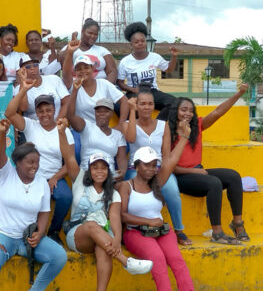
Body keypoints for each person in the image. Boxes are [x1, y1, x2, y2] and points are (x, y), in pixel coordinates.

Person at [0, 119, 67, 291]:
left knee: (59, 256)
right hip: (3, 235)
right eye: (30, 162)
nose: (35, 166)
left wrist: (40, 233)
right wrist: (2, 133)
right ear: (18, 162)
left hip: (28, 239)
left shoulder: (42, 183)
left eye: (37, 162)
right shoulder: (6, 174)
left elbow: (44, 213)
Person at [168, 85, 251, 245]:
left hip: (198, 173)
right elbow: (168, 167)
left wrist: (238, 94)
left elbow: (218, 112)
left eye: (191, 110)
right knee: (214, 183)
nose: (187, 113)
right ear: (175, 111)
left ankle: (237, 223)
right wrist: (195, 172)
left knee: (233, 176)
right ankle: (217, 232)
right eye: (183, 109)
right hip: (180, 177)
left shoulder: (196, 126)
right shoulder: (167, 131)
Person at [118, 120, 194, 291]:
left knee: (177, 260)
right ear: (136, 166)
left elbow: (171, 161)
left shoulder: (157, 182)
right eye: (146, 164)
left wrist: (184, 137)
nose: (151, 169)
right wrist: (148, 222)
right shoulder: (127, 186)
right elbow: (122, 215)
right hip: (135, 233)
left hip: (161, 231)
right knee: (157, 258)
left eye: (153, 165)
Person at [64, 145, 153, 290]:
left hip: (103, 237)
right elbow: (68, 156)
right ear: (89, 171)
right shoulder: (79, 181)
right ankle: (126, 262)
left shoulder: (114, 194)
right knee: (92, 225)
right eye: (95, 168)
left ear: (108, 171)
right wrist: (61, 132)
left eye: (103, 168)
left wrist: (117, 238)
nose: (99, 171)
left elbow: (114, 217)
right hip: (79, 235)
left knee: (103, 248)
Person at [5, 78, 74, 244]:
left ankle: (53, 231)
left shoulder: (63, 130)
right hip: (33, 176)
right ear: (36, 112)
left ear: (54, 110)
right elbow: (9, 113)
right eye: (41, 111)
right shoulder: (31, 125)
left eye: (48, 110)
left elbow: (70, 162)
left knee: (65, 197)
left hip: (55, 175)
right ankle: (28, 231)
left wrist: (55, 178)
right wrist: (23, 90)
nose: (45, 114)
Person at [124, 87, 190, 245]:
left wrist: (162, 172)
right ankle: (137, 227)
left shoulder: (163, 125)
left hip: (159, 168)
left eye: (150, 104)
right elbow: (131, 139)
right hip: (136, 169)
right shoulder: (128, 124)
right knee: (138, 188)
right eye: (142, 104)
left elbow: (166, 155)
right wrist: (131, 111)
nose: (146, 107)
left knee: (172, 190)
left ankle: (179, 230)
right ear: (137, 105)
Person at [67, 78, 127, 180]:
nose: (102, 114)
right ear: (95, 113)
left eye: (106, 111)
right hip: (87, 175)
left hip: (108, 177)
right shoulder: (87, 127)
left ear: (111, 114)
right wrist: (75, 91)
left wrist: (122, 171)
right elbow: (71, 115)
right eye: (99, 111)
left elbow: (121, 158)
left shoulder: (118, 135)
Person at [117, 22, 178, 119]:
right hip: (134, 93)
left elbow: (169, 69)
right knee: (122, 108)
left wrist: (174, 56)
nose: (140, 43)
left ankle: (157, 126)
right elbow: (120, 82)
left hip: (152, 92)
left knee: (175, 103)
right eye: (136, 42)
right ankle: (135, 130)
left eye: (142, 41)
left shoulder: (154, 57)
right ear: (131, 45)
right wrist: (132, 89)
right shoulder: (125, 62)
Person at [62, 35, 128, 125]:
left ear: (92, 69)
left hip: (103, 129)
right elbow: (66, 74)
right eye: (79, 69)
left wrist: (121, 125)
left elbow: (124, 101)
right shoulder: (74, 85)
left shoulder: (104, 84)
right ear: (75, 72)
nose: (83, 71)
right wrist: (70, 52)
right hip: (81, 130)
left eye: (86, 67)